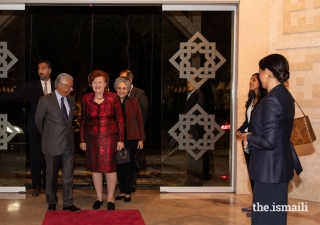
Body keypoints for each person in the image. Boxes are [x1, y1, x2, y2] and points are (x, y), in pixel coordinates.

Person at [241, 54, 302, 225]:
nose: (259, 77)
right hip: (277, 168)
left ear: (267, 72)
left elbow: (269, 141)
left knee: (265, 219)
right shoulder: (285, 95)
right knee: (274, 219)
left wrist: (249, 137)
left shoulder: (272, 99)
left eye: (260, 73)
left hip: (269, 170)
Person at [0, 60, 53, 197]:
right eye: (38, 68)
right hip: (34, 127)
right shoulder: (31, 86)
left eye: (43, 68)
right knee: (35, 157)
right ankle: (36, 185)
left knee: (49, 157)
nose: (40, 71)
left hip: (51, 129)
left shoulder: (57, 85)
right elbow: (14, 95)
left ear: (49, 70)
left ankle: (49, 185)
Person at [35, 73, 81, 212]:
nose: (71, 89)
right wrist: (48, 136)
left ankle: (68, 202)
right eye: (69, 86)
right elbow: (38, 122)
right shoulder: (45, 100)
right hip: (51, 144)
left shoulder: (71, 100)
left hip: (68, 144)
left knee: (68, 175)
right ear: (60, 85)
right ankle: (52, 200)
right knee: (51, 175)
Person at [79, 70, 124, 211]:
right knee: (96, 170)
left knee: (110, 170)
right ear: (90, 84)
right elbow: (83, 120)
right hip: (91, 139)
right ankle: (99, 198)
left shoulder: (113, 98)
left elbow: (120, 120)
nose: (97, 85)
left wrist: (121, 140)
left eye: (100, 82)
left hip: (110, 137)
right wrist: (82, 140)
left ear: (105, 84)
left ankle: (110, 199)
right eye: (94, 82)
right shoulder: (86, 98)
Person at [236, 73, 267, 216]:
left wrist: (249, 134)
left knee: (257, 174)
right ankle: (256, 204)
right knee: (252, 172)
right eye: (250, 79)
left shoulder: (263, 101)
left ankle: (259, 207)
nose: (250, 82)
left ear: (260, 82)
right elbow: (248, 122)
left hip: (255, 142)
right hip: (247, 143)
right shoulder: (252, 100)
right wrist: (240, 130)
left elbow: (261, 125)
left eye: (254, 79)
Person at [113, 77, 145, 203]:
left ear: (128, 90)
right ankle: (121, 191)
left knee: (129, 166)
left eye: (124, 88)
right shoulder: (112, 102)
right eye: (119, 88)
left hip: (132, 139)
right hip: (116, 139)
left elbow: (140, 121)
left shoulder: (134, 102)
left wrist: (141, 139)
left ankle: (128, 192)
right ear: (116, 89)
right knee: (119, 165)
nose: (121, 90)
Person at [119, 69, 149, 192]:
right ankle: (123, 186)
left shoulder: (139, 93)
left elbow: (144, 114)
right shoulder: (118, 94)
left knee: (132, 161)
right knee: (122, 160)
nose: (120, 81)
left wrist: (140, 135)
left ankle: (131, 185)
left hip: (134, 135)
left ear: (130, 80)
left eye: (123, 79)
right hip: (121, 136)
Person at [183, 79, 207, 186]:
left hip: (195, 131)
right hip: (192, 130)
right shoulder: (193, 94)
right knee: (193, 155)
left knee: (194, 156)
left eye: (192, 82)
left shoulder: (198, 96)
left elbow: (197, 114)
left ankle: (194, 181)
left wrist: (191, 130)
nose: (189, 84)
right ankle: (192, 181)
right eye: (188, 82)